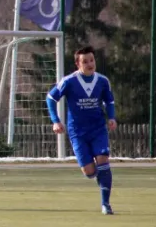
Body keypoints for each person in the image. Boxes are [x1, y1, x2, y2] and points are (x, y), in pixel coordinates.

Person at [46, 45, 117, 215]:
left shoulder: (102, 81)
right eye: (85, 61)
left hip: (98, 129)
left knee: (103, 161)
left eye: (91, 60)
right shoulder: (68, 81)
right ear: (78, 64)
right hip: (77, 132)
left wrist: (112, 117)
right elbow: (50, 98)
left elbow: (109, 101)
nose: (89, 64)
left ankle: (105, 204)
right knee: (90, 171)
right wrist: (56, 121)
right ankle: (95, 174)